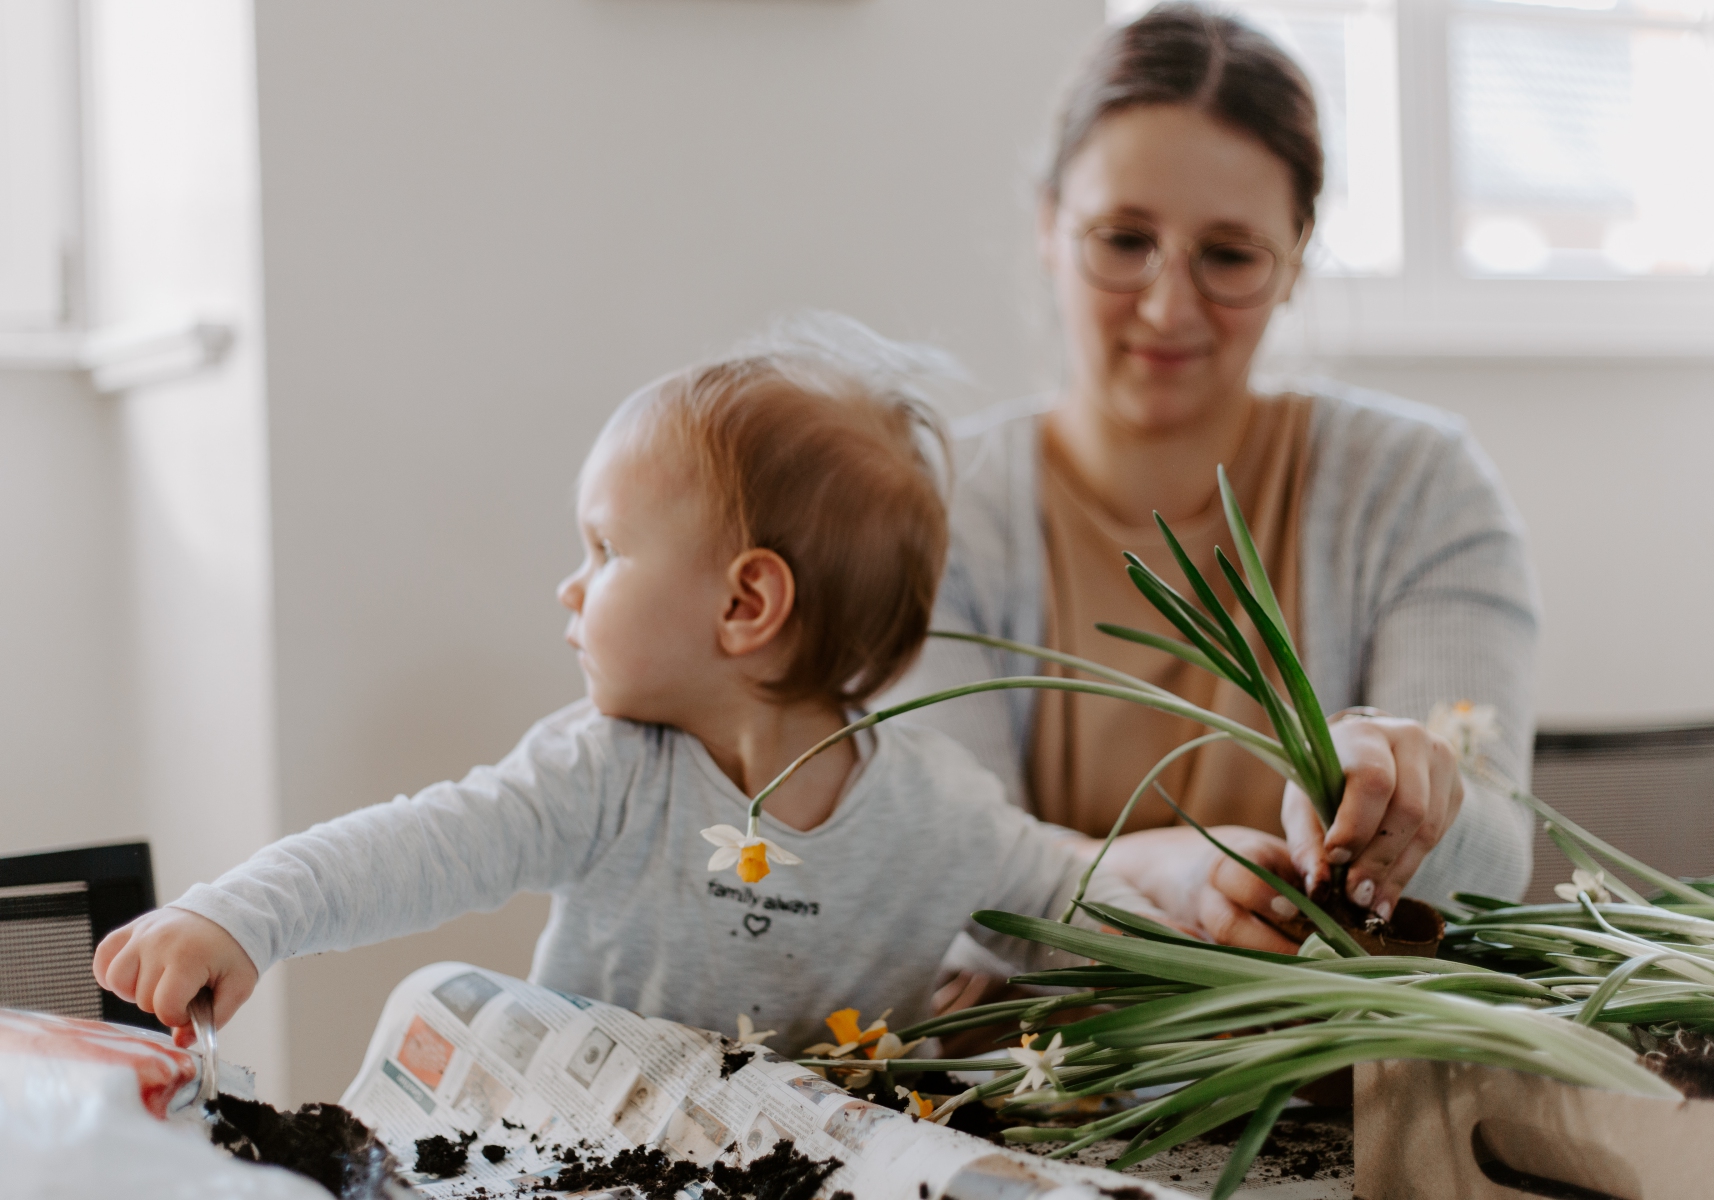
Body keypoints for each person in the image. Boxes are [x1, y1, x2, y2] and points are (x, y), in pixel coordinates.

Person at [92, 317, 1175, 1058]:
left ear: (746, 603)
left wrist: (1213, 960)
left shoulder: (937, 813)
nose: (570, 586)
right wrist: (242, 915)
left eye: (605, 549)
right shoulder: (600, 774)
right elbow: (415, 847)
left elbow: (1070, 905)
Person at [886, 4, 1538, 960]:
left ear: (1297, 259)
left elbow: (1493, 868)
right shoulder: (932, 510)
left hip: (1344, 1051)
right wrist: (1157, 877)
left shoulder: (1417, 492)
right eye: (1123, 240)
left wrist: (1415, 798)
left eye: (1229, 256)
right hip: (1033, 1050)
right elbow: (939, 865)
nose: (1167, 306)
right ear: (1048, 226)